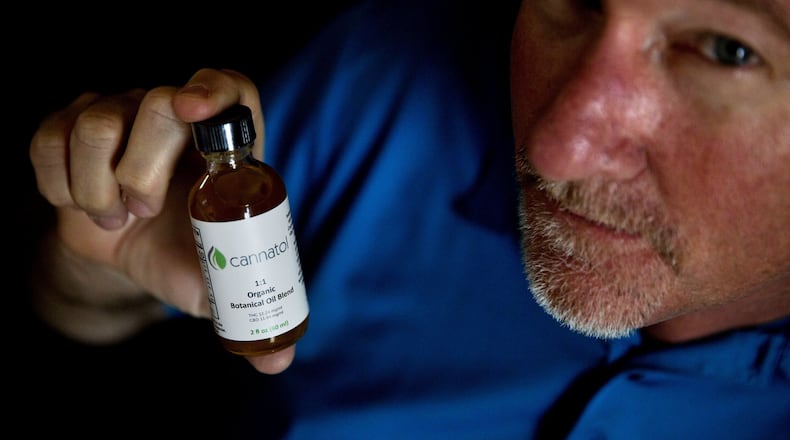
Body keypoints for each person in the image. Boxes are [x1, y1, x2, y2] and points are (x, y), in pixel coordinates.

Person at [24, 0, 789, 438]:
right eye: (573, 1)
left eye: (725, 51)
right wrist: (98, 263)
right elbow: (72, 313)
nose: (557, 148)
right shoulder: (380, 84)